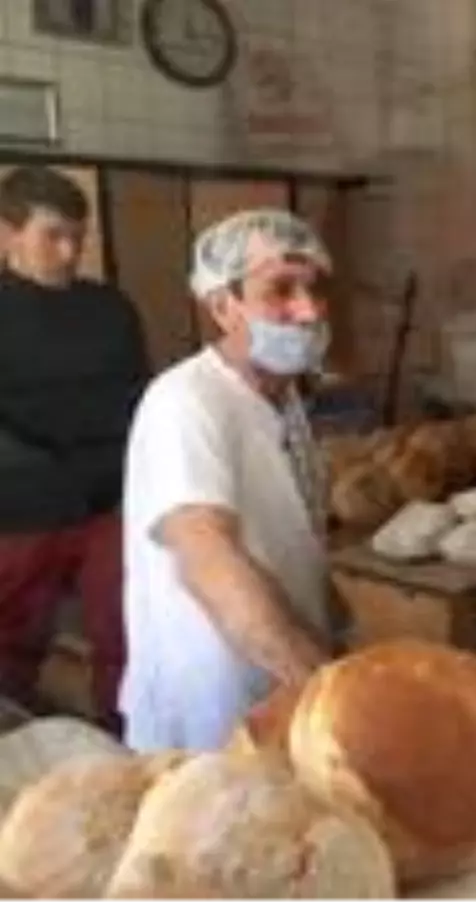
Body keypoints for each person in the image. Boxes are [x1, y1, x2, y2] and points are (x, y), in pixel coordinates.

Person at [119, 209, 335, 752]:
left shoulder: (283, 396)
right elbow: (207, 556)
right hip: (211, 705)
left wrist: (336, 630)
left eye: (313, 288)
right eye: (280, 290)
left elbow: (291, 537)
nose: (308, 310)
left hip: (280, 684)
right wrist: (330, 692)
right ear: (222, 306)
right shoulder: (185, 403)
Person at [0, 166, 148, 729]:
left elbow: (140, 395)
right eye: (53, 236)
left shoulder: (110, 308)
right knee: (11, 641)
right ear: (8, 232)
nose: (68, 253)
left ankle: (127, 741)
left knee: (128, 633)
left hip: (109, 505)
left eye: (77, 238)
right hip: (20, 510)